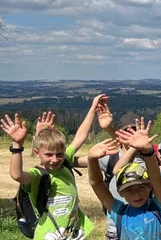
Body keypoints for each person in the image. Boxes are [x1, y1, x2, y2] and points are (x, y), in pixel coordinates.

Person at [2, 94, 106, 239]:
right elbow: (17, 175)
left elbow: (80, 136)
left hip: (73, 232)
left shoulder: (64, 162)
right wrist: (17, 145)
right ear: (37, 153)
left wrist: (93, 109)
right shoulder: (38, 175)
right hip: (48, 234)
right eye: (49, 155)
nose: (55, 159)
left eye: (59, 154)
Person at [87, 117, 161, 240]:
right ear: (120, 193)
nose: (136, 194)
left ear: (149, 186)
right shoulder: (119, 213)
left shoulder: (158, 207)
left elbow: (155, 177)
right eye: (129, 190)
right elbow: (97, 183)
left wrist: (148, 151)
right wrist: (92, 159)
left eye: (141, 187)